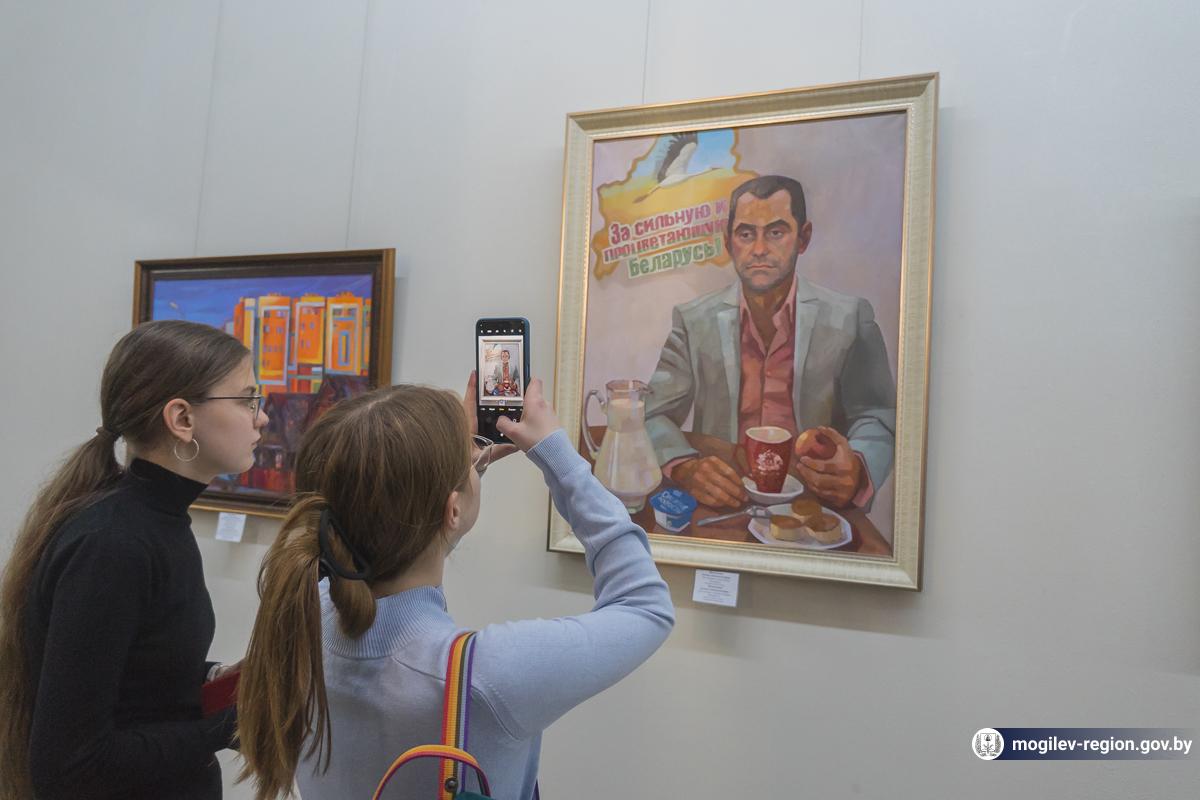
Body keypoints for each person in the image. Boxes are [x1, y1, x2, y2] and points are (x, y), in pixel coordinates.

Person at [236, 373, 674, 800]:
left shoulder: (301, 614)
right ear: (453, 510)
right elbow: (645, 605)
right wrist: (557, 456)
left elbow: (398, 524)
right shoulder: (491, 675)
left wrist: (456, 472)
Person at [0, 320, 267, 800]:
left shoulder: (155, 522)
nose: (261, 417)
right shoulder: (113, 544)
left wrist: (210, 678)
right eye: (247, 400)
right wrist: (232, 724)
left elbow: (134, 683)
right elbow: (71, 763)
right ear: (182, 419)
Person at [644, 174, 896, 510]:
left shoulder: (849, 318)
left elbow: (879, 417)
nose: (760, 249)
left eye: (776, 232)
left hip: (816, 505)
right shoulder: (693, 321)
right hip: (723, 502)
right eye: (746, 234)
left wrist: (858, 468)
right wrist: (685, 467)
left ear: (803, 238)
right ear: (728, 242)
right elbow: (651, 414)